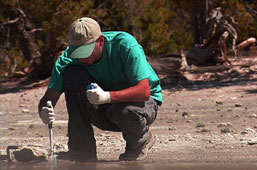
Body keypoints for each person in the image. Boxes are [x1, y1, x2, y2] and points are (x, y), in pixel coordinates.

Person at [38, 17, 163, 162]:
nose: (81, 58)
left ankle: (140, 143)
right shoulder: (67, 59)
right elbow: (48, 99)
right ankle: (82, 150)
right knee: (72, 75)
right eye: (77, 52)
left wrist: (107, 97)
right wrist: (44, 111)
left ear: (101, 41)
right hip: (103, 111)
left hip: (140, 107)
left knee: (125, 111)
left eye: (86, 51)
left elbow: (144, 91)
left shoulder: (125, 45)